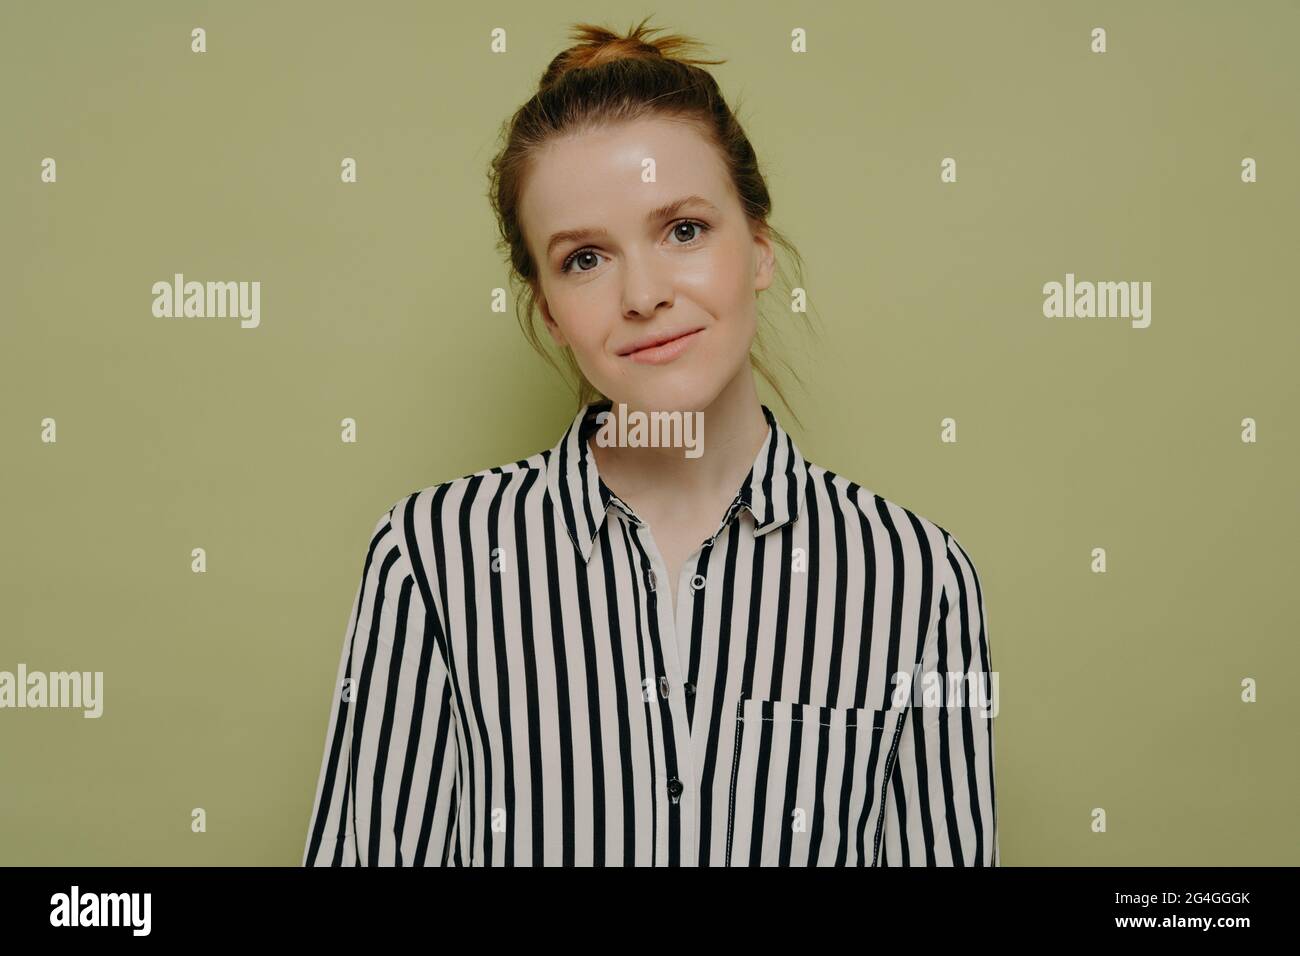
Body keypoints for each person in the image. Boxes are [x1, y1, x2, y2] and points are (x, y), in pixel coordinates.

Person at [303, 17, 997, 866]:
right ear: (550, 309)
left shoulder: (919, 579)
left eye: (683, 230)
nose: (642, 294)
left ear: (760, 248)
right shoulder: (430, 558)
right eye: (585, 258)